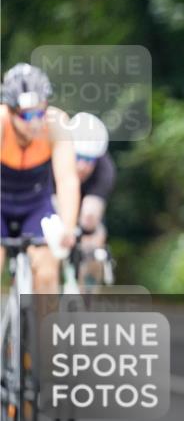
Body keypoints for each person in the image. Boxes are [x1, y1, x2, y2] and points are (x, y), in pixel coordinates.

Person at [0, 63, 79, 294]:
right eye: (28, 115)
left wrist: (69, 226)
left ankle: (44, 329)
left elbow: (67, 180)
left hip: (36, 202)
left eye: (41, 112)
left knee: (46, 270)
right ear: (11, 111)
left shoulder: (56, 124)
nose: (36, 122)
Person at [68, 112, 116, 285]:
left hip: (84, 207)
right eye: (78, 157)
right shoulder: (55, 160)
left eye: (89, 160)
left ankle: (85, 299)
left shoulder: (105, 170)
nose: (82, 166)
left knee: (93, 244)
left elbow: (91, 214)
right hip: (56, 202)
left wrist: (85, 230)